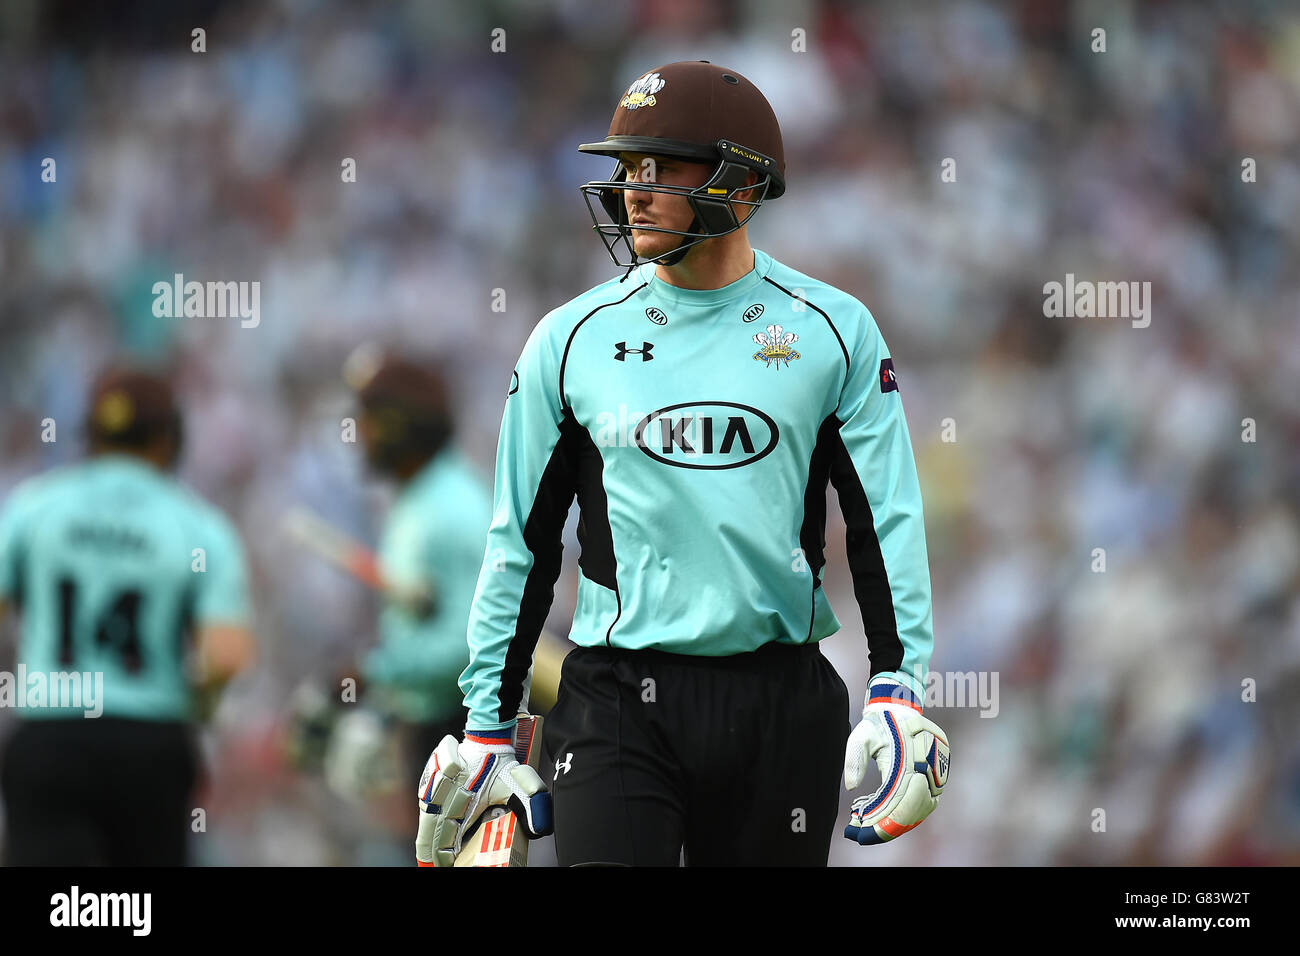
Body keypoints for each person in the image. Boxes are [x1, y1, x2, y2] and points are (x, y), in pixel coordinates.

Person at [415, 60, 949, 867]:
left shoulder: (832, 330)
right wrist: (487, 720)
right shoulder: (569, 340)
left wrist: (899, 681)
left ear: (741, 184)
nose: (635, 188)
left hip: (780, 699)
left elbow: (885, 517)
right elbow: (520, 541)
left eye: (661, 167)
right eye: (628, 168)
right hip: (615, 703)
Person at [0, 367, 255, 865]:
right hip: (150, 744)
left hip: (51, 737)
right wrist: (197, 703)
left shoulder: (32, 507)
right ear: (168, 440)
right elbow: (224, 656)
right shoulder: (198, 525)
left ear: (90, 435)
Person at [343, 348, 493, 791]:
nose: (360, 433)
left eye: (367, 419)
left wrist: (372, 672)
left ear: (395, 425)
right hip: (442, 728)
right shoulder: (425, 498)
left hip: (465, 733)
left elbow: (473, 643)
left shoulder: (448, 509)